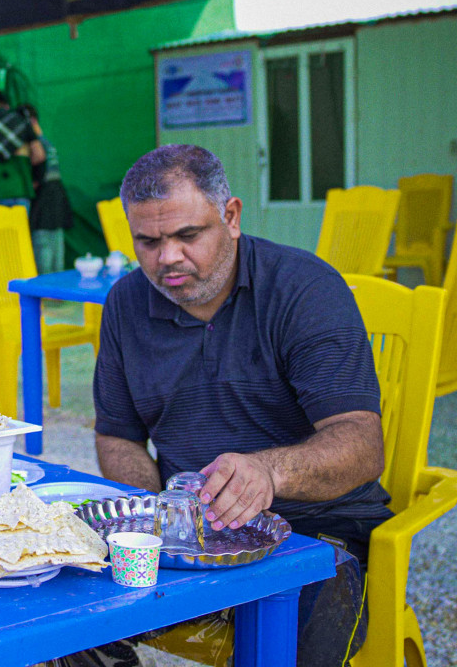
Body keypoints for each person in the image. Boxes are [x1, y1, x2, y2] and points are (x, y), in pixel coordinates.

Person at [89, 144, 387, 665]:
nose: (167, 258)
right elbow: (118, 436)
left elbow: (362, 442)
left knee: (288, 638)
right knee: (51, 606)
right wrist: (152, 514)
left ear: (230, 217)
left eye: (187, 235)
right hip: (188, 537)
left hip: (315, 532)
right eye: (148, 241)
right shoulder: (125, 302)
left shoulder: (304, 289)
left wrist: (268, 473)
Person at [21, 104, 73, 273]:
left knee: (44, 249)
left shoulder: (34, 144)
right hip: (56, 199)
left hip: (44, 202)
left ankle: (47, 288)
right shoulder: (46, 142)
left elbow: (37, 176)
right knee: (56, 249)